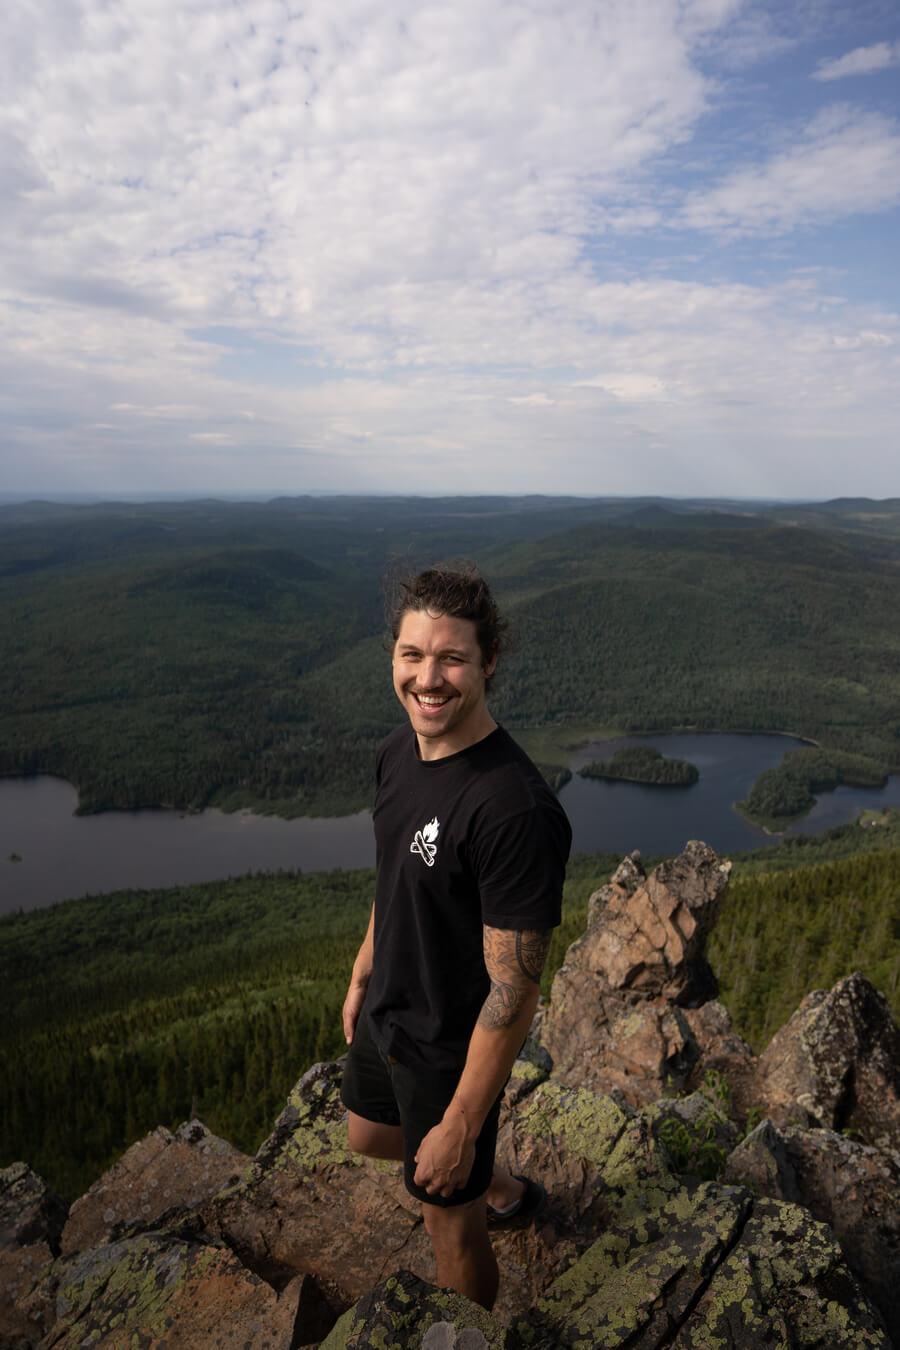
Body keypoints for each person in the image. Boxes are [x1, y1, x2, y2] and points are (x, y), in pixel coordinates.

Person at [340, 565, 572, 1311]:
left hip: (449, 1047)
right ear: (393, 658)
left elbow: (515, 986)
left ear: (488, 660)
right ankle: (499, 1188)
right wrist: (362, 973)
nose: (427, 679)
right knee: (367, 1137)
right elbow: (395, 876)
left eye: (451, 659)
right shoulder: (397, 753)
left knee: (450, 1229)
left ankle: (469, 1303)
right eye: (412, 656)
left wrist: (463, 1124)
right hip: (390, 1011)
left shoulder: (511, 810)